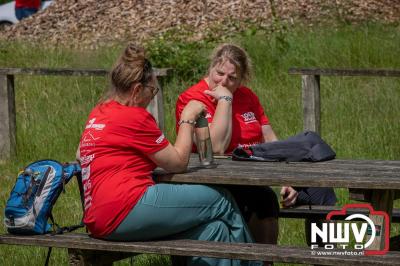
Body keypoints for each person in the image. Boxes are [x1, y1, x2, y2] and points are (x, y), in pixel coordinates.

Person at [77, 43, 262, 266]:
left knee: (213, 230)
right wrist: (187, 117)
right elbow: (178, 162)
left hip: (98, 215)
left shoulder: (99, 112)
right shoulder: (134, 116)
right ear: (136, 91)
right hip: (125, 207)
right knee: (222, 201)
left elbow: (81, 153)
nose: (151, 97)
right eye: (152, 91)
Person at [175, 43, 336, 249]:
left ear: (242, 79)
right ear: (210, 68)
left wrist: (289, 180)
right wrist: (225, 99)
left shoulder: (248, 96)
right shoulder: (192, 98)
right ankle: (264, 261)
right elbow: (216, 148)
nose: (224, 81)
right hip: (219, 179)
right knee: (263, 198)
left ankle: (328, 257)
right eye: (219, 73)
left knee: (320, 189)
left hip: (259, 173)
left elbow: (271, 141)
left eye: (232, 78)